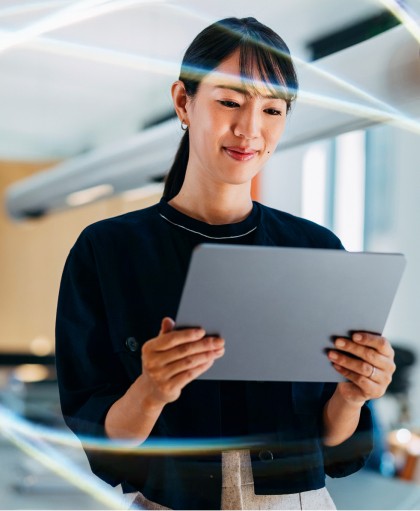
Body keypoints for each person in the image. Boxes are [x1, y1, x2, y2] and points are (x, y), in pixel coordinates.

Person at [55, 17, 396, 510]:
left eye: (273, 110)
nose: (250, 129)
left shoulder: (316, 248)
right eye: (230, 102)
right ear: (183, 102)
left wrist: (355, 393)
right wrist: (151, 390)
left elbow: (338, 449)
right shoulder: (107, 251)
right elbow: (105, 446)